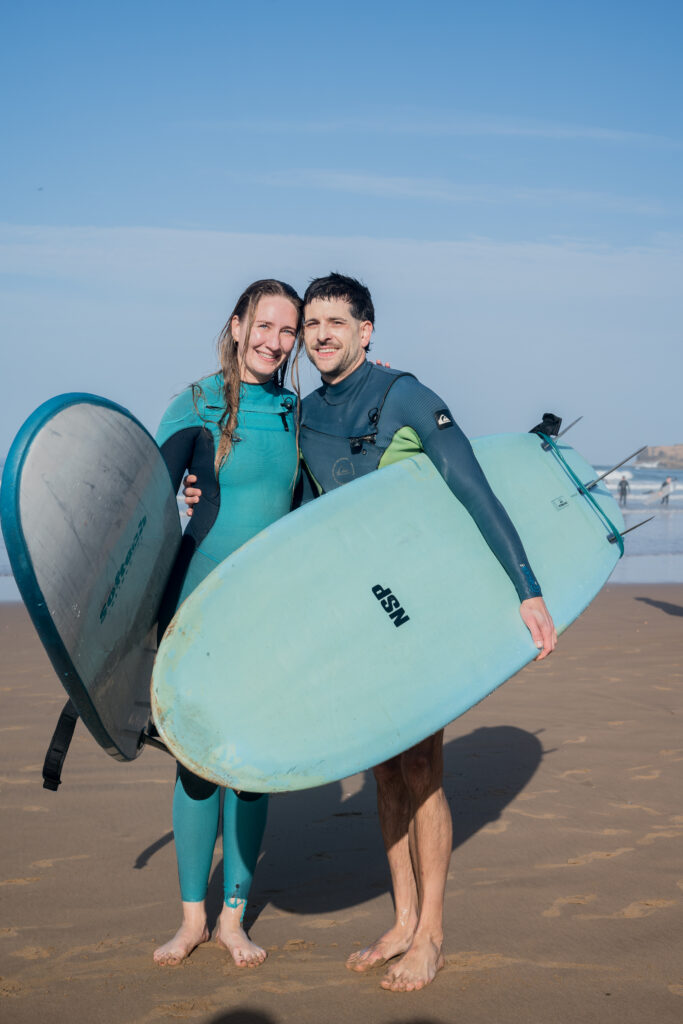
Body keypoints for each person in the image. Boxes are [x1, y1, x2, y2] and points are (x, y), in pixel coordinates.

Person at [184, 273, 557, 992]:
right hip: (363, 615)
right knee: (384, 767)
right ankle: (401, 918)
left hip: (424, 611)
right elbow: (295, 511)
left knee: (422, 770)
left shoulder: (404, 396)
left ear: (366, 330)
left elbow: (474, 487)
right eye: (311, 322)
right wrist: (201, 491)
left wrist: (528, 589)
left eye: (335, 321)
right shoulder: (308, 411)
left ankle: (432, 936)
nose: (319, 334)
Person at [153, 279, 303, 968]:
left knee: (252, 770)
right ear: (238, 324)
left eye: (288, 331)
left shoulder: (296, 411)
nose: (275, 341)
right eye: (264, 326)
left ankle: (233, 920)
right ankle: (190, 919)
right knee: (195, 766)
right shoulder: (194, 403)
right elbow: (143, 504)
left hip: (269, 612)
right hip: (198, 601)